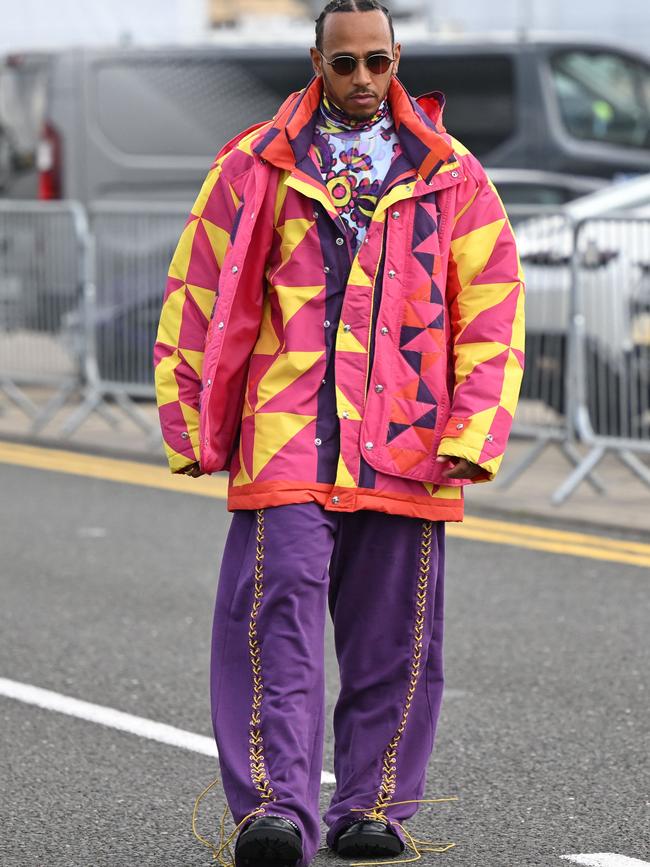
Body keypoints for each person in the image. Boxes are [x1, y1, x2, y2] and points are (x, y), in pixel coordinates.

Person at [153, 1, 525, 865]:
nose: (362, 81)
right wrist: (188, 416)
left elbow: (493, 307)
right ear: (315, 60)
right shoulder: (254, 164)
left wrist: (474, 427)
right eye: (345, 63)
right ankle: (274, 811)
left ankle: (374, 808)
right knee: (271, 622)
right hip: (286, 435)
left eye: (378, 63)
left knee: (396, 637)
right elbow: (197, 286)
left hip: (410, 440)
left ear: (399, 60)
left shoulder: (452, 173)